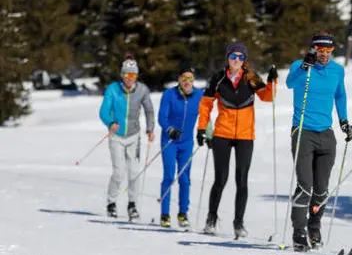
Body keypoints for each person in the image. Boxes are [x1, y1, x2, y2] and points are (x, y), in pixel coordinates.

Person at [197, 42, 277, 237]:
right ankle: (211, 219)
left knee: (242, 180)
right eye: (234, 56)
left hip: (245, 135)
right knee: (220, 179)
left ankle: (238, 224)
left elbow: (267, 97)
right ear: (228, 58)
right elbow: (206, 104)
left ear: (245, 60)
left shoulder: (251, 77)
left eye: (241, 57)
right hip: (222, 134)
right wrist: (202, 129)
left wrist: (272, 82)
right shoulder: (218, 77)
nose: (237, 61)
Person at [285, 30, 352, 251]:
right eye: (320, 49)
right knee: (305, 186)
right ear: (313, 49)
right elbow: (289, 83)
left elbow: (340, 95)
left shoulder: (337, 70)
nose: (323, 54)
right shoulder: (300, 66)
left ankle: (314, 227)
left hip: (326, 134)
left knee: (321, 190)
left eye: (328, 50)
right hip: (303, 131)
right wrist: (304, 67)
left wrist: (344, 121)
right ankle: (298, 233)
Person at [98, 54, 156, 220]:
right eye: (127, 75)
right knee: (118, 172)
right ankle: (111, 202)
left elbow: (149, 110)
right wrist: (111, 123)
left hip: (134, 136)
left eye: (133, 75)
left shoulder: (142, 90)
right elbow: (103, 111)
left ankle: (132, 204)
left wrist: (150, 129)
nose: (130, 78)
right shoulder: (113, 89)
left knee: (134, 172)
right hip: (116, 135)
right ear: (122, 75)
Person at [157, 63, 204, 228]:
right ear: (179, 79)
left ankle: (183, 213)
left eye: (190, 79)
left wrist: (206, 132)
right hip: (169, 141)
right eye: (184, 78)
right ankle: (164, 214)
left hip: (187, 143)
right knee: (169, 176)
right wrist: (170, 130)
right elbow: (162, 117)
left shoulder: (199, 95)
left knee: (184, 179)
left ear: (193, 80)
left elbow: (206, 114)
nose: (187, 82)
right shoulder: (169, 94)